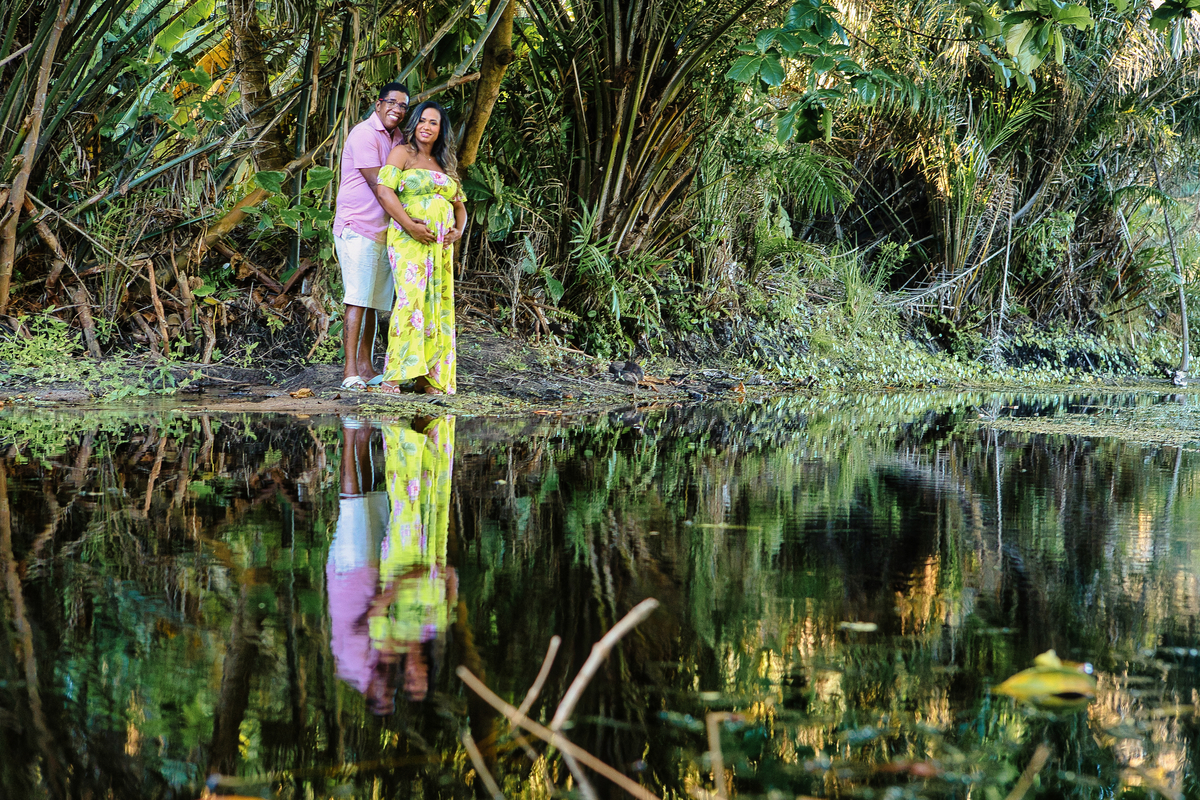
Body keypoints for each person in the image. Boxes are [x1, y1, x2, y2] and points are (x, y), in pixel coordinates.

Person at [373, 101, 467, 395]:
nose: (427, 127)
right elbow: (384, 191)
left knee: (437, 304)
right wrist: (409, 225)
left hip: (440, 246)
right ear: (414, 124)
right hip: (408, 238)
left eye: (433, 122)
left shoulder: (445, 164)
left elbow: (459, 206)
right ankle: (394, 375)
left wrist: (459, 231)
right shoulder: (402, 153)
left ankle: (428, 377)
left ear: (441, 130)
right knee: (411, 299)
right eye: (423, 120)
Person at [332, 82, 409, 391]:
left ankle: (366, 368)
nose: (397, 109)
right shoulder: (364, 133)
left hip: (383, 231)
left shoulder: (398, 138)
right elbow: (379, 183)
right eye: (392, 102)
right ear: (378, 105)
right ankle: (349, 372)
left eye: (403, 106)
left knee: (375, 302)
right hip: (357, 226)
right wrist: (411, 213)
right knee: (357, 298)